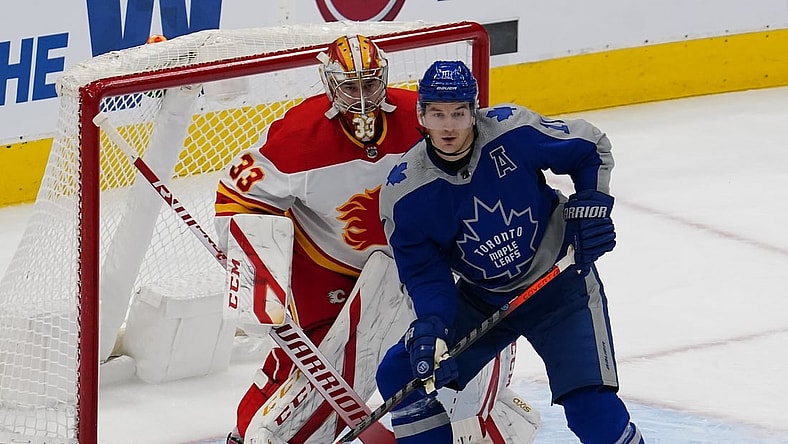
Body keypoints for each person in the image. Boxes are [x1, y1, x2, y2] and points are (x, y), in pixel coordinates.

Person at [215, 36, 538, 443]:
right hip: (329, 265)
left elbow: (481, 169)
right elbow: (237, 196)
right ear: (330, 83)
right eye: (351, 86)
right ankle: (247, 433)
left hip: (420, 260)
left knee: (459, 352)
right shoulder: (298, 135)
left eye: (370, 84)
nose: (363, 98)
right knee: (309, 365)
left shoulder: (422, 118)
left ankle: (476, 422)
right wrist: (256, 269)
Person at [377, 60, 645, 444]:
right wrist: (433, 325)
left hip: (560, 284)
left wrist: (589, 209)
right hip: (483, 298)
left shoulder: (512, 131)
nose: (449, 126)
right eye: (437, 113)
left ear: (475, 111)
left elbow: (590, 147)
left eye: (458, 113)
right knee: (402, 375)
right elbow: (424, 273)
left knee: (591, 409)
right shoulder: (405, 193)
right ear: (421, 115)